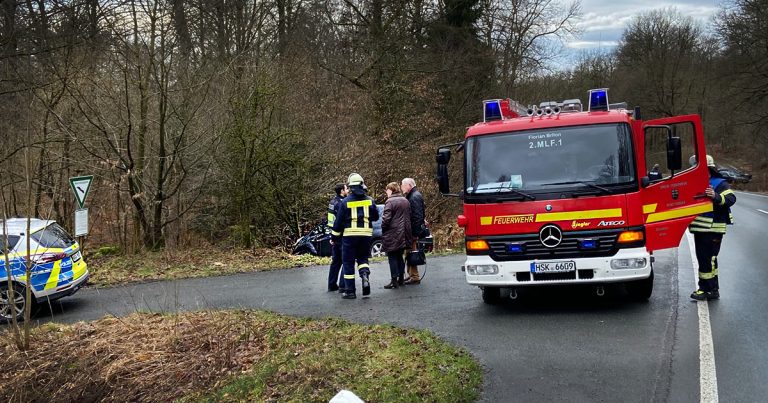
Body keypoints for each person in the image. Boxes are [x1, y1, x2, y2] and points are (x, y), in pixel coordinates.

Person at [689, 154, 736, 301]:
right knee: (710, 259)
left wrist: (715, 196)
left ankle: (705, 289)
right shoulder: (695, 182)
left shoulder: (719, 183)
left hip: (713, 228)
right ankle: (713, 289)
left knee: (706, 259)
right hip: (700, 229)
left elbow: (731, 199)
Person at [332, 173, 380, 299]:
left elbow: (338, 223)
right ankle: (364, 275)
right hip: (366, 236)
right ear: (362, 185)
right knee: (363, 259)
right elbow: (375, 217)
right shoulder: (370, 200)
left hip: (349, 237)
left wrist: (334, 238)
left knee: (348, 262)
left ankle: (350, 291)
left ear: (350, 186)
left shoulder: (345, 202)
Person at [381, 182, 412, 289]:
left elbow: (386, 219)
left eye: (387, 190)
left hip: (393, 233)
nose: (386, 192)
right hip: (405, 232)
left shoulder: (389, 202)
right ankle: (401, 279)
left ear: (391, 190)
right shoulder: (405, 200)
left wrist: (383, 228)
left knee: (392, 256)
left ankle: (394, 280)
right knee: (400, 256)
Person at [401, 177, 426, 285]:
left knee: (411, 253)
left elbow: (417, 216)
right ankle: (411, 274)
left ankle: (414, 276)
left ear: (409, 185)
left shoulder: (414, 197)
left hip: (413, 231)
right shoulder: (414, 195)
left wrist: (415, 233)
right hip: (412, 230)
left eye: (403, 185)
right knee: (409, 252)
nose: (401, 187)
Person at [327, 183, 348, 292]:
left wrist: (332, 237)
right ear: (341, 191)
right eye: (346, 188)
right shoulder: (341, 204)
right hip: (341, 235)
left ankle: (331, 284)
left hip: (334, 235)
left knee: (336, 262)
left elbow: (330, 222)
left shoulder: (332, 202)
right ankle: (342, 285)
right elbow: (340, 222)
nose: (348, 190)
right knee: (345, 260)